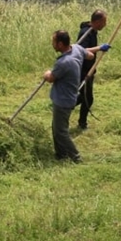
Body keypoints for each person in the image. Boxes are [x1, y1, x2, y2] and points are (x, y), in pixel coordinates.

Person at [43, 30, 109, 163]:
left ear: (60, 44)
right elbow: (89, 55)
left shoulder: (64, 62)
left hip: (63, 101)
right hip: (69, 97)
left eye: (54, 42)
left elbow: (50, 78)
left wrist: (46, 73)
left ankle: (76, 157)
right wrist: (100, 48)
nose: (52, 44)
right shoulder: (77, 49)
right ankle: (60, 154)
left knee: (61, 132)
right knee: (57, 129)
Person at [75, 9, 107, 132]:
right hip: (82, 70)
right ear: (97, 22)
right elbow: (82, 50)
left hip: (89, 70)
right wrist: (99, 48)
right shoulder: (85, 32)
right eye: (104, 22)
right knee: (87, 98)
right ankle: (67, 107)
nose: (105, 25)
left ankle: (80, 120)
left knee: (86, 97)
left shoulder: (93, 32)